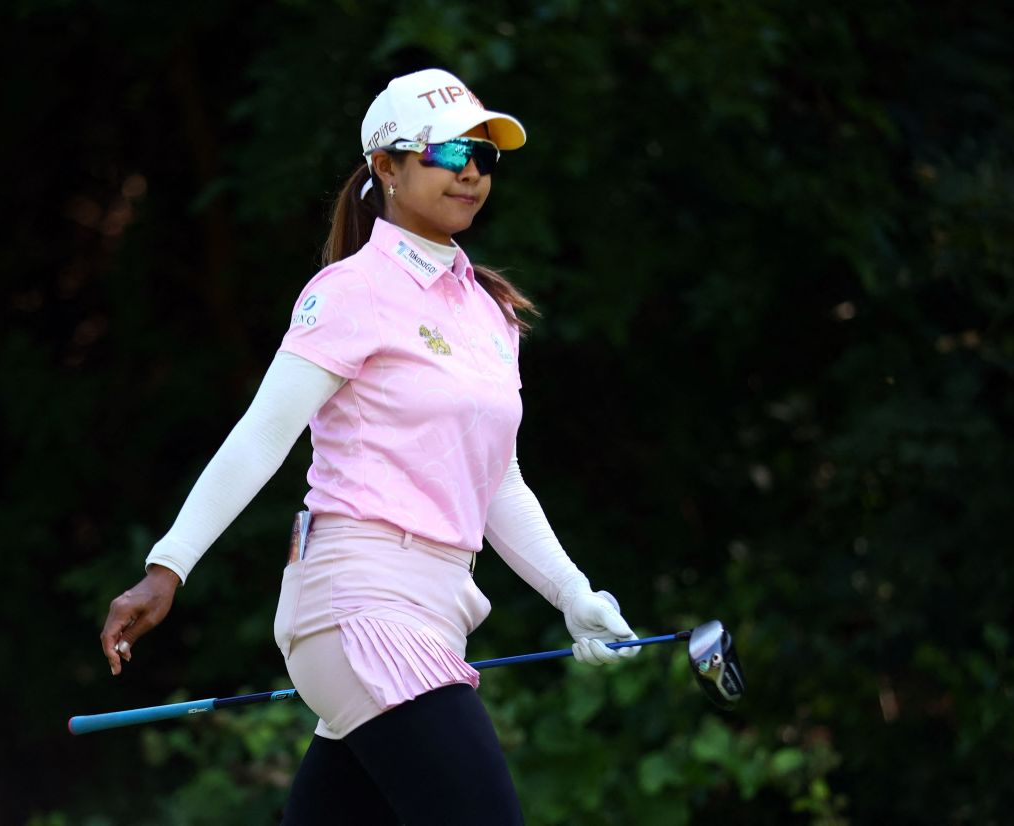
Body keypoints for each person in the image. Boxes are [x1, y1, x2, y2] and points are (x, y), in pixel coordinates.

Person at [97, 68, 640, 825]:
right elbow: (262, 436)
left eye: (487, 158)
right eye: (451, 154)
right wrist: (168, 566)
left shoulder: (490, 314)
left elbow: (498, 484)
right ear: (387, 166)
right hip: (359, 606)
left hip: (435, 612)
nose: (474, 174)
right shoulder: (350, 292)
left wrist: (574, 594)